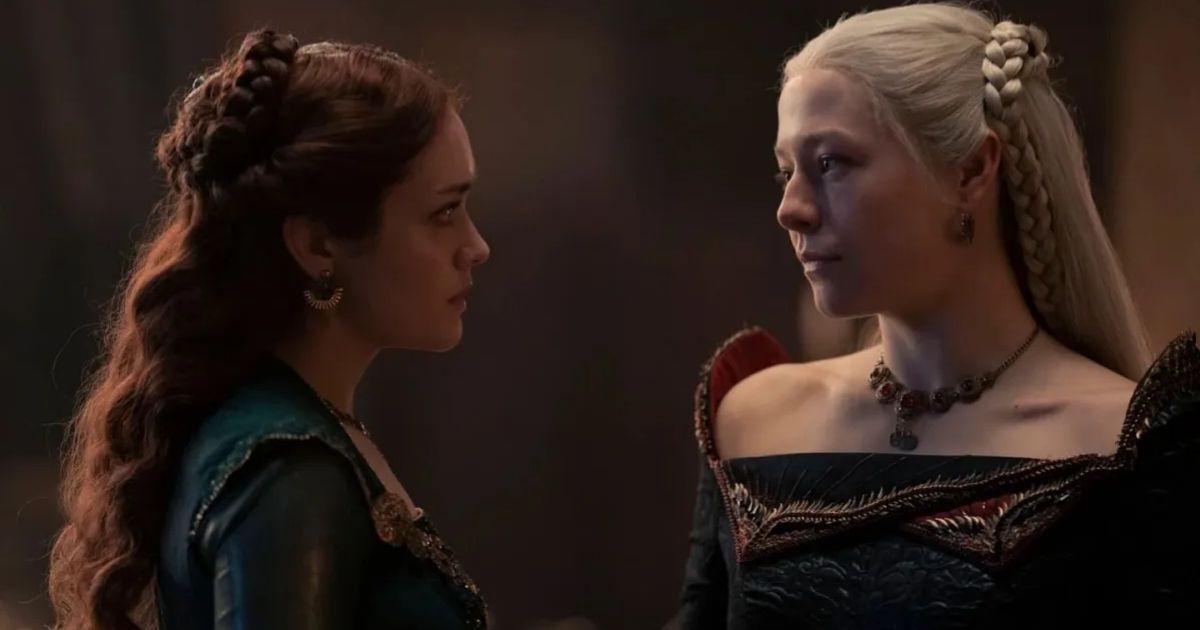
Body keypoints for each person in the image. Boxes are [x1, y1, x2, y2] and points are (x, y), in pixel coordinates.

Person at [679, 4, 1199, 628]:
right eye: (786, 171)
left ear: (972, 170)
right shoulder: (751, 417)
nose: (790, 209)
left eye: (831, 163)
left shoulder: (1127, 442)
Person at [48, 29, 490, 629]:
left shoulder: (299, 428)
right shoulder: (289, 469)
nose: (476, 247)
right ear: (317, 244)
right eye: (444, 212)